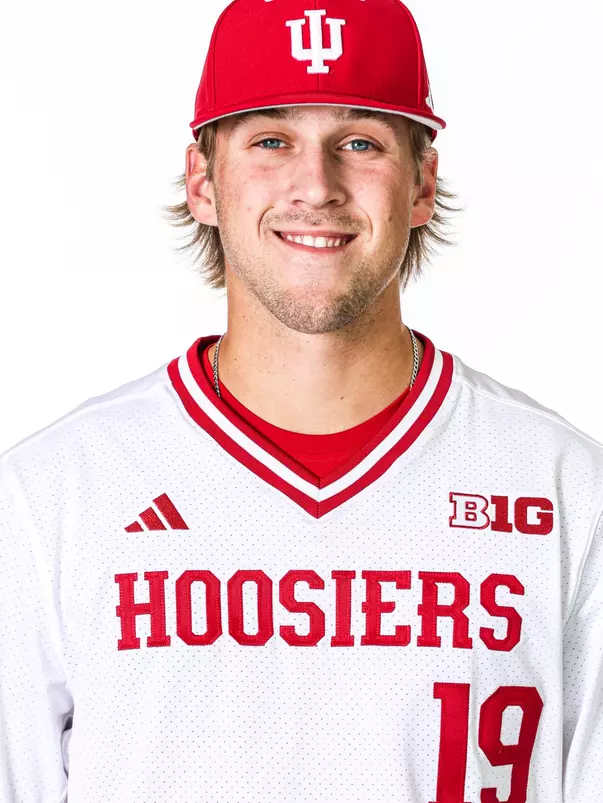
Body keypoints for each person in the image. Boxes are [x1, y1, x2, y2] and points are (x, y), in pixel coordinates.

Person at [1, 0, 601, 800]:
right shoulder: (51, 496)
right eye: (271, 141)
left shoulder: (562, 487)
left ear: (422, 184)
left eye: (359, 143)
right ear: (202, 183)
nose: (315, 186)